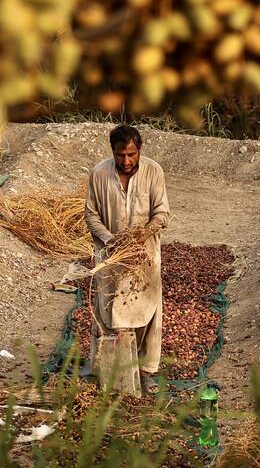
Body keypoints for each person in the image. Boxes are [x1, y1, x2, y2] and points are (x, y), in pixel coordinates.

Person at [83, 124, 169, 396]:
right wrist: (110, 240)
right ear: (113, 152)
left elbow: (162, 212)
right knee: (109, 312)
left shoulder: (153, 172)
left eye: (132, 154)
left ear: (140, 150)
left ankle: (145, 371)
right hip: (111, 257)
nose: (127, 161)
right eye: (121, 155)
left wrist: (144, 233)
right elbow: (91, 215)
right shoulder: (99, 174)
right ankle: (110, 370)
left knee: (147, 313)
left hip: (143, 257)